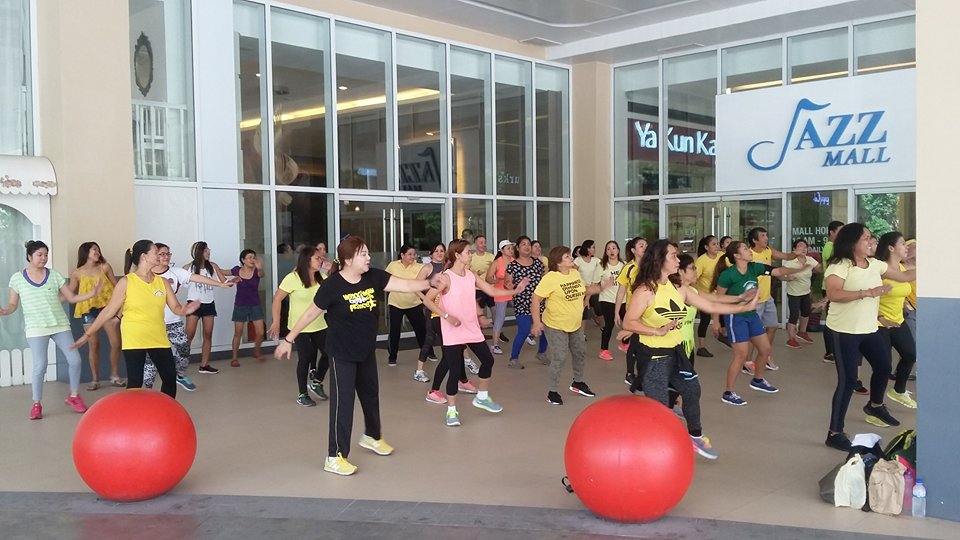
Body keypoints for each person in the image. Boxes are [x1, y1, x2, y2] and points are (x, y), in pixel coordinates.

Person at [274, 236, 447, 476]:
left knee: (370, 395)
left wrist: (430, 281)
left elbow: (405, 285)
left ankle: (372, 436)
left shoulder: (373, 276)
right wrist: (288, 339)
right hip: (341, 353)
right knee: (343, 404)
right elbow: (310, 313)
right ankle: (334, 456)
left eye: (367, 253)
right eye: (363, 254)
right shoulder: (332, 285)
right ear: (347, 260)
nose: (368, 258)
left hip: (365, 350)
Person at [620, 240, 759, 460]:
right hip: (654, 358)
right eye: (673, 256)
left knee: (692, 390)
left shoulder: (678, 288)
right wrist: (657, 331)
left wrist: (743, 307)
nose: (678, 260)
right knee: (659, 409)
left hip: (676, 353)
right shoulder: (645, 291)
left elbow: (710, 305)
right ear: (659, 260)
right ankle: (654, 451)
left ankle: (695, 436)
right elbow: (629, 322)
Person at [823, 223, 915, 451]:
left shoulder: (875, 264)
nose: (871, 241)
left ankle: (875, 405)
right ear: (852, 241)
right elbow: (833, 293)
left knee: (883, 367)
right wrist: (868, 293)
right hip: (845, 331)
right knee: (847, 382)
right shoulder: (840, 265)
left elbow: (904, 277)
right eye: (866, 238)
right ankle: (834, 433)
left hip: (869, 328)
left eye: (871, 237)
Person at [73, 240, 200, 399]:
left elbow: (176, 308)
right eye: (155, 252)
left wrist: (186, 310)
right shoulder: (126, 282)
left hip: (158, 338)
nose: (159, 255)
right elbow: (108, 311)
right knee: (135, 383)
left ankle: (164, 410)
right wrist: (87, 334)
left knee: (169, 379)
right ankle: (133, 413)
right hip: (134, 339)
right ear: (144, 256)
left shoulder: (162, 282)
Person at [422, 239, 527, 427]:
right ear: (457, 255)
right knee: (455, 370)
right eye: (468, 252)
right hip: (452, 330)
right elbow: (428, 300)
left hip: (471, 328)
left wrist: (516, 291)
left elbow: (491, 291)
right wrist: (446, 316)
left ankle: (482, 397)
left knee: (488, 360)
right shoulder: (445, 277)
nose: (470, 255)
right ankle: (451, 411)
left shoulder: (471, 275)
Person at [1, 241, 102, 419]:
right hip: (36, 327)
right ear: (29, 256)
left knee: (75, 360)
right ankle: (36, 404)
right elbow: (12, 304)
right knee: (40, 366)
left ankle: (73, 396)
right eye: (39, 255)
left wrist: (92, 294)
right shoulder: (17, 278)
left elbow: (71, 298)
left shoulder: (54, 275)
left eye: (46, 255)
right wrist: (5, 311)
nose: (43, 258)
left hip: (59, 325)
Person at [711, 241, 803, 406]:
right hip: (735, 317)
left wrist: (799, 268)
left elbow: (777, 271)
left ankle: (758, 380)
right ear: (737, 255)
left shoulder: (755, 267)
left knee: (765, 349)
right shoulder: (728, 275)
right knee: (741, 355)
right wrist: (716, 321)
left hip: (752, 315)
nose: (749, 251)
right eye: (745, 249)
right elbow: (717, 300)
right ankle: (728, 392)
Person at [141, 243, 233, 393]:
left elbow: (197, 278)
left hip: (173, 320)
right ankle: (147, 390)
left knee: (184, 348)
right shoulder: (145, 275)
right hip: (153, 323)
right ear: (154, 255)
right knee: (150, 359)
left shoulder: (176, 272)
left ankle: (180, 375)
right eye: (162, 254)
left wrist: (219, 284)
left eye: (168, 254)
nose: (166, 257)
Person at [532, 245, 606, 405]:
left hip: (575, 324)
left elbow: (584, 290)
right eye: (567, 256)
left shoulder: (574, 273)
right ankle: (552, 392)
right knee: (559, 356)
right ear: (558, 262)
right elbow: (536, 298)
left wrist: (601, 288)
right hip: (555, 325)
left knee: (580, 352)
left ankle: (578, 383)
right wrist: (537, 322)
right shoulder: (550, 278)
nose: (571, 258)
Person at [269, 246, 330, 406]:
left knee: (329, 353)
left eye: (321, 258)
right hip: (299, 327)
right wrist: (276, 321)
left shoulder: (323, 278)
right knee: (305, 358)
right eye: (317, 258)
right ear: (307, 260)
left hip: (319, 325)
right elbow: (277, 299)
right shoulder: (293, 278)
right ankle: (302, 394)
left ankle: (316, 382)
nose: (321, 260)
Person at [69, 241, 125, 389]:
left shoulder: (105, 267)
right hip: (88, 311)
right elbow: (70, 292)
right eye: (94, 250)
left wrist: (119, 308)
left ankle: (115, 375)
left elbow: (117, 286)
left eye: (98, 250)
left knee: (116, 343)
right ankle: (95, 379)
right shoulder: (77, 273)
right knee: (93, 345)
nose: (97, 252)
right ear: (86, 252)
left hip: (107, 308)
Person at [745, 227, 799, 371]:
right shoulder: (748, 255)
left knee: (773, 327)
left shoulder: (768, 251)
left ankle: (766, 356)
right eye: (763, 236)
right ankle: (747, 362)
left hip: (767, 298)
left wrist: (796, 253)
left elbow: (786, 256)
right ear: (754, 240)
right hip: (754, 300)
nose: (766, 238)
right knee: (753, 333)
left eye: (766, 235)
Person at [874, 232, 917, 409]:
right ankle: (875, 405)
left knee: (910, 354)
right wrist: (880, 317)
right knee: (884, 367)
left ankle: (898, 390)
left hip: (898, 320)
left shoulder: (901, 269)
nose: (906, 247)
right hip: (879, 323)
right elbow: (869, 298)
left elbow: (905, 286)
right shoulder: (879, 270)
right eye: (902, 244)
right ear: (891, 248)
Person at [183, 241, 230, 374]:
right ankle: (180, 365)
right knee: (189, 335)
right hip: (193, 303)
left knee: (208, 334)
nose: (208, 252)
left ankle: (204, 365)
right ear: (198, 252)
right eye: (205, 250)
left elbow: (224, 281)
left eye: (208, 249)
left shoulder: (213, 266)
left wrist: (233, 281)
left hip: (209, 303)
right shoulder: (188, 267)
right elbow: (179, 283)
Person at [384, 245, 429, 381]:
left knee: (421, 330)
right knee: (394, 331)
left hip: (414, 303)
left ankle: (427, 353)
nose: (412, 257)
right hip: (396, 303)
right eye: (409, 254)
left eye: (414, 254)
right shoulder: (393, 266)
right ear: (402, 255)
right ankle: (392, 356)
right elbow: (385, 281)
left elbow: (424, 284)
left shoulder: (420, 267)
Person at [506, 236, 548, 369]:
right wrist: (510, 285)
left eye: (528, 244)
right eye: (523, 244)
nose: (527, 246)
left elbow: (545, 277)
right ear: (518, 248)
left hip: (539, 301)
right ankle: (514, 358)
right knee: (524, 330)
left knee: (545, 328)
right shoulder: (512, 265)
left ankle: (541, 353)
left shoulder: (537, 263)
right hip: (522, 303)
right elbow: (508, 282)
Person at [614, 237, 648, 386]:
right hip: (633, 311)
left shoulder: (652, 266)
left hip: (649, 310)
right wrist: (617, 312)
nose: (645, 247)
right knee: (634, 343)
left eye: (646, 245)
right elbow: (621, 291)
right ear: (633, 250)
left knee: (646, 343)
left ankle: (644, 373)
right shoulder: (628, 268)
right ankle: (629, 373)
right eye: (641, 245)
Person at [781, 239, 821, 349]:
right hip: (794, 293)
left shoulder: (810, 260)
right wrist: (788, 278)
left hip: (806, 292)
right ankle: (791, 339)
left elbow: (820, 269)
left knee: (806, 312)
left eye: (805, 247)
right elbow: (780, 275)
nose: (803, 249)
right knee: (794, 315)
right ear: (794, 249)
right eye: (800, 246)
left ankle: (802, 332)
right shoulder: (791, 262)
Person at [229, 249, 265, 367]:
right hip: (240, 305)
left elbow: (261, 274)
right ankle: (234, 358)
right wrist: (214, 267)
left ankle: (256, 351)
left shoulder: (257, 271)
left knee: (260, 332)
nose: (252, 260)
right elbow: (223, 272)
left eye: (254, 257)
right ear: (243, 260)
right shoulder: (236, 270)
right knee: (238, 333)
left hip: (255, 304)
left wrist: (260, 268)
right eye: (249, 257)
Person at [595, 241, 624, 361]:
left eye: (614, 248)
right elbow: (594, 285)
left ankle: (625, 343)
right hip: (607, 299)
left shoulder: (623, 265)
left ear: (618, 250)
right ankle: (604, 350)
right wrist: (605, 285)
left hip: (622, 299)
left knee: (628, 322)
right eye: (608, 249)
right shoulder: (601, 266)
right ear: (606, 252)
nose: (611, 251)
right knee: (609, 324)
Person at [485, 240, 515, 355]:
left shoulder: (515, 262)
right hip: (501, 293)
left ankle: (529, 334)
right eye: (508, 248)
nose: (511, 250)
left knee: (524, 312)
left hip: (513, 292)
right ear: (502, 250)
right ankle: (495, 344)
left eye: (511, 248)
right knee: (500, 318)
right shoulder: (497, 263)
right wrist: (498, 280)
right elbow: (488, 278)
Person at [821, 221, 844, 363]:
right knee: (831, 320)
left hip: (836, 287)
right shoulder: (829, 246)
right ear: (831, 232)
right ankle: (830, 352)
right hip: (829, 287)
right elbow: (833, 263)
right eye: (840, 231)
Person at [693, 235, 721, 358]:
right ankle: (701, 347)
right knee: (705, 319)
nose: (717, 246)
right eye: (714, 244)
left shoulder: (722, 257)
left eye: (718, 244)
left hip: (719, 294)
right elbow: (694, 278)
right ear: (706, 247)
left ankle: (723, 334)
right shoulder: (701, 260)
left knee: (724, 315)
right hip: (705, 295)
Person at [573, 239, 603, 330]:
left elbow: (599, 274)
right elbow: (573, 274)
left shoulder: (596, 260)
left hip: (593, 287)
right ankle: (582, 332)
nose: (594, 249)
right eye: (593, 247)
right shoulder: (578, 260)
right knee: (584, 311)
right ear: (587, 248)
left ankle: (601, 323)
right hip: (581, 288)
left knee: (598, 307)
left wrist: (588, 296)